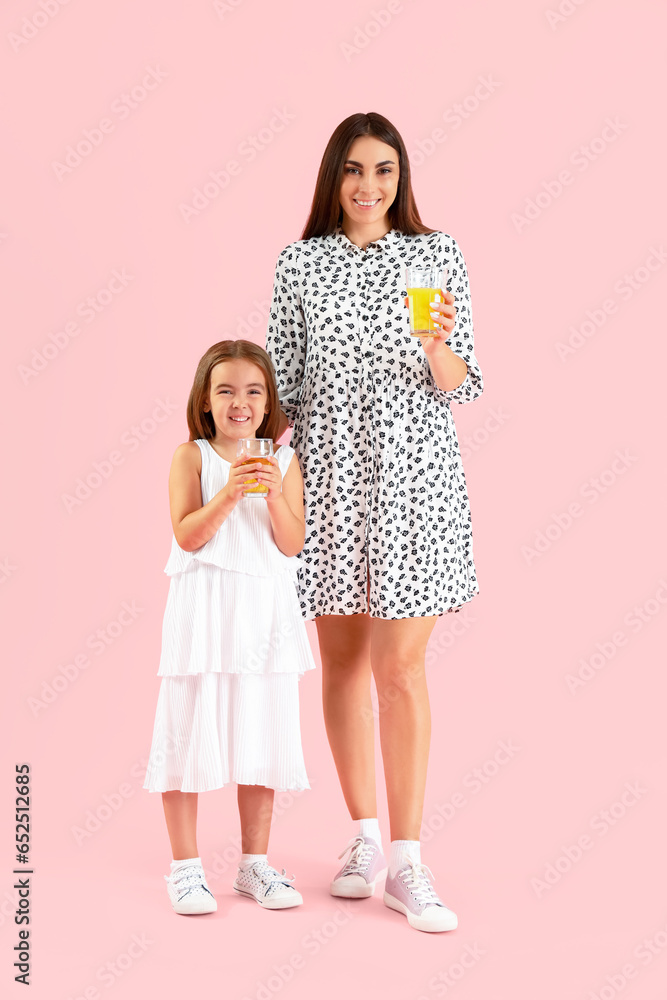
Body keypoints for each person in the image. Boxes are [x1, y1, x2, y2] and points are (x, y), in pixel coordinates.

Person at [265, 112, 484, 933]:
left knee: (402, 669)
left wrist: (437, 345)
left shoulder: (436, 254)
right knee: (343, 665)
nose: (368, 185)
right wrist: (231, 455)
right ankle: (359, 840)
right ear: (333, 176)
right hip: (327, 483)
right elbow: (282, 386)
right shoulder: (299, 264)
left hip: (414, 486)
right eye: (354, 169)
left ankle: (408, 862)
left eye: (383, 170)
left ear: (401, 177)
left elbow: (462, 383)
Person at [143, 339, 316, 915]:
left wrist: (267, 496)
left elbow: (291, 544)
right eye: (225, 390)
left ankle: (254, 867)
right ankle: (186, 870)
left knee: (260, 733)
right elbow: (187, 534)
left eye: (252, 390)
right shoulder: (190, 457)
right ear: (206, 400)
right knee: (186, 728)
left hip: (264, 614)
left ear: (269, 403)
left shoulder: (285, 462)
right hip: (204, 611)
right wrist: (230, 491)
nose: (239, 402)